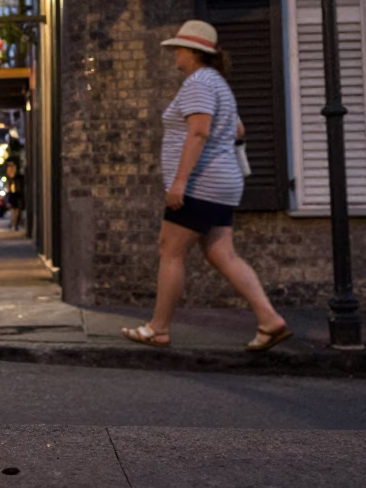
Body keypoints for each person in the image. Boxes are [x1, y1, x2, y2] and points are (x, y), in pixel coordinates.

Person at [122, 20, 291, 353]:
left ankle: (158, 329)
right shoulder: (218, 84)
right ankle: (269, 321)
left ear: (193, 52)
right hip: (223, 183)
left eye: (178, 50)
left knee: (169, 250)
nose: (175, 56)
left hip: (201, 184)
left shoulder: (198, 82)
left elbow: (198, 132)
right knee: (221, 254)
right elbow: (237, 129)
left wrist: (179, 182)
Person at [4, 160, 26, 232]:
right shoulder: (10, 176)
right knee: (13, 209)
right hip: (12, 193)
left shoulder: (18, 176)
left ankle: (15, 223)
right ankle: (14, 223)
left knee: (18, 209)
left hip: (17, 193)